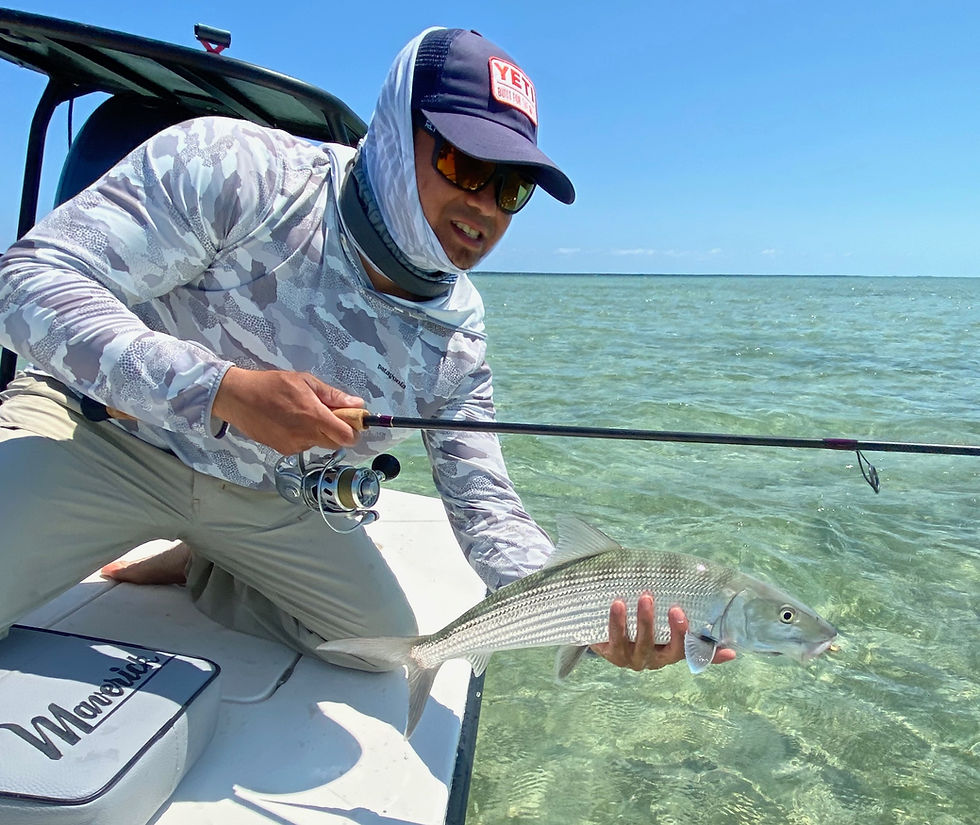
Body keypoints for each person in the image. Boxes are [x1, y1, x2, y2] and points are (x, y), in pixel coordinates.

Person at [0, 27, 733, 674]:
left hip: (268, 498)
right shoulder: (240, 168)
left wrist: (590, 614)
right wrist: (222, 389)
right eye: (466, 164)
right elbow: (24, 282)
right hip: (104, 437)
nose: (484, 205)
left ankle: (208, 564)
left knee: (381, 649)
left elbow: (486, 508)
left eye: (511, 189)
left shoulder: (458, 333)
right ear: (390, 131)